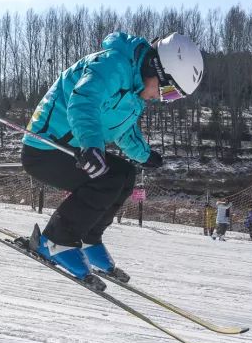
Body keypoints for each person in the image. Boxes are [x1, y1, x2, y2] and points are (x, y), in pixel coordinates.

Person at [20, 31, 204, 278]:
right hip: (46, 147)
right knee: (107, 179)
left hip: (78, 148)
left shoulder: (135, 92)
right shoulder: (111, 65)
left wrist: (144, 155)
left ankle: (88, 239)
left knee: (125, 174)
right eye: (168, 91)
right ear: (155, 68)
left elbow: (124, 131)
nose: (163, 99)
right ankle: (56, 241)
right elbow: (84, 101)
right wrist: (92, 145)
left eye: (173, 97)